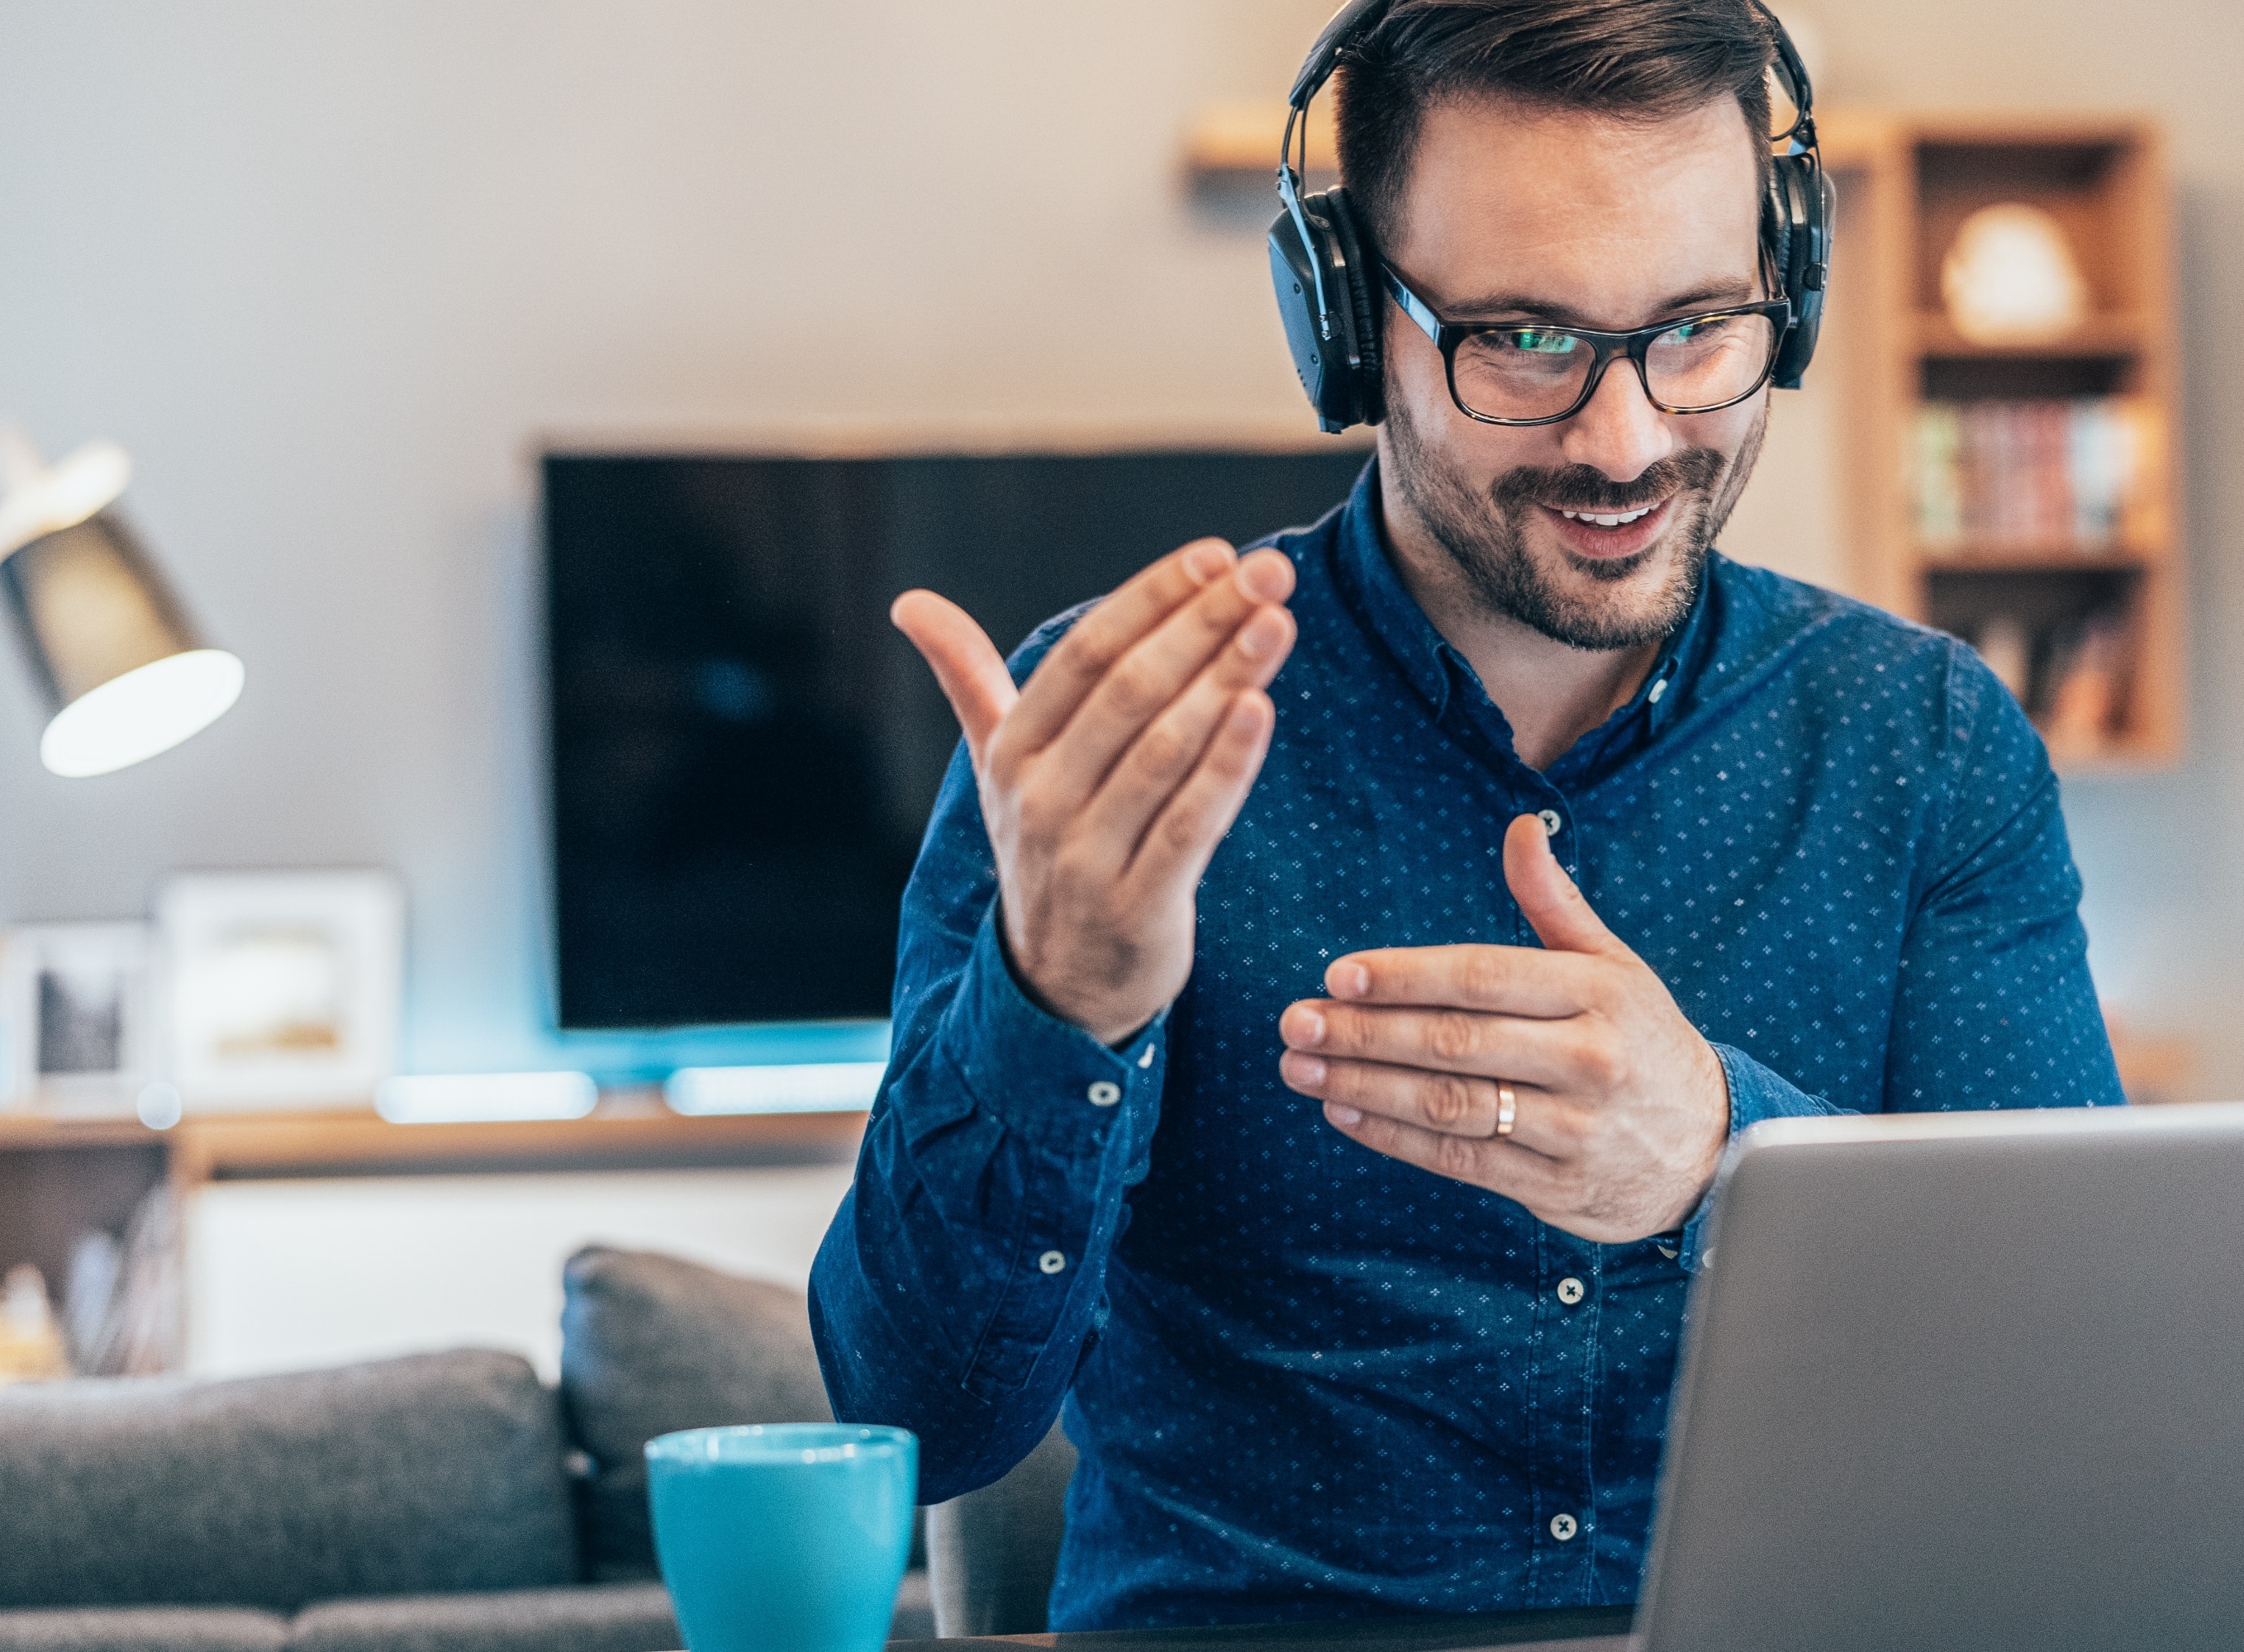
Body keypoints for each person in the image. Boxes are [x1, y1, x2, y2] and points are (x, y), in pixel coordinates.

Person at [810, 0, 2122, 1631]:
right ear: (1348, 317)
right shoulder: (1103, 736)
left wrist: (1723, 1157)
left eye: (1700, 326)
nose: (1629, 439)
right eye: (1526, 339)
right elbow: (916, 1421)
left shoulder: (1924, 746)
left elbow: (2075, 1384)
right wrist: (1058, 992)